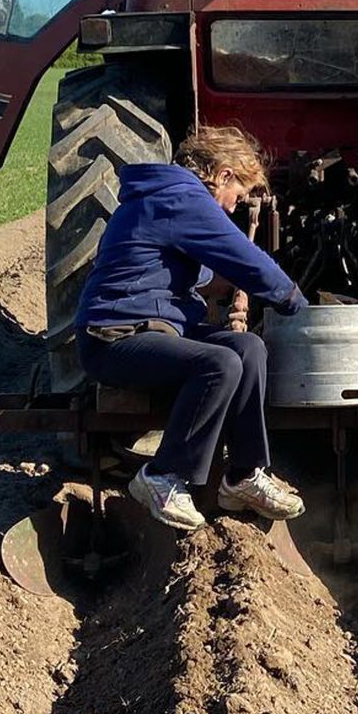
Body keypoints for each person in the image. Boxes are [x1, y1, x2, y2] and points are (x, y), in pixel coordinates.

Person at [74, 125, 307, 533]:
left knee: (248, 348)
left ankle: (242, 476)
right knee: (219, 364)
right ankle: (162, 475)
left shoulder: (175, 198)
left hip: (159, 328)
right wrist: (295, 303)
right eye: (237, 195)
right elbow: (244, 258)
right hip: (113, 337)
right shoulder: (180, 197)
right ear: (223, 175)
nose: (234, 208)